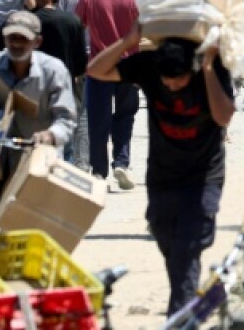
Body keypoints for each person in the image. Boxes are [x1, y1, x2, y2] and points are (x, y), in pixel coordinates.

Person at [88, 26, 233, 312]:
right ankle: (202, 297)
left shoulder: (212, 69)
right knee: (166, 238)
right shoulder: (149, 66)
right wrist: (128, 40)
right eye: (166, 82)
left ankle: (181, 314)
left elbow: (224, 116)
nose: (171, 87)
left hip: (203, 176)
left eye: (178, 81)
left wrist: (206, 69)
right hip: (162, 175)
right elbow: (96, 70)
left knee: (187, 246)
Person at [0, 11, 77, 148]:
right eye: (12, 37)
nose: (16, 44)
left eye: (24, 38)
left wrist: (50, 135)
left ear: (37, 41)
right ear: (4, 38)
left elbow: (66, 118)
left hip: (38, 156)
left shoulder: (54, 72)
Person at [75, 0, 140, 190]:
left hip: (99, 66)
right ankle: (121, 162)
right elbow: (143, 33)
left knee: (97, 120)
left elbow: (77, 28)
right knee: (125, 116)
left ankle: (99, 170)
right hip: (129, 66)